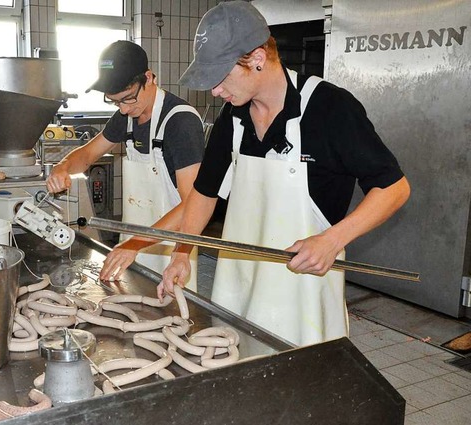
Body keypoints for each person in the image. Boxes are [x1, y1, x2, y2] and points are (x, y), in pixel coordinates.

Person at [159, 1, 410, 346]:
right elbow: (204, 193)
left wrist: (333, 240)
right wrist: (180, 252)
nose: (215, 91)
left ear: (257, 58)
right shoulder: (232, 119)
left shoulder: (329, 108)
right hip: (239, 286)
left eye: (219, 77)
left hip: (302, 296)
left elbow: (394, 188)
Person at [46, 40, 205, 289]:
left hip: (173, 246)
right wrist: (64, 166)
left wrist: (134, 243)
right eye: (115, 102)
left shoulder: (180, 122)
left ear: (149, 78)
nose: (123, 108)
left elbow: (193, 205)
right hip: (133, 244)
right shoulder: (126, 116)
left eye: (128, 98)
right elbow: (87, 155)